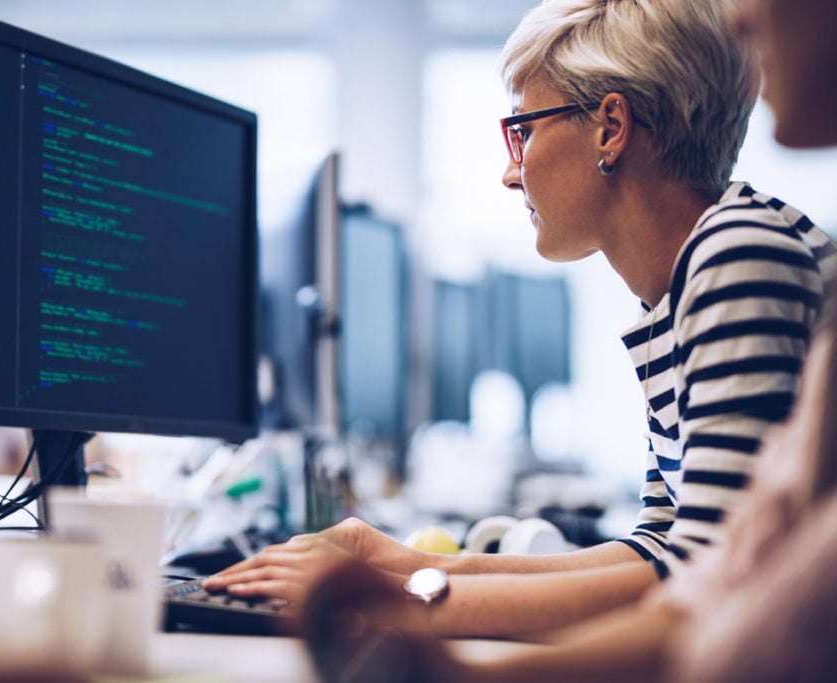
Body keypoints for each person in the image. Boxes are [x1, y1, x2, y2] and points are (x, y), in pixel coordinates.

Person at [205, 0, 835, 639]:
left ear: (611, 127)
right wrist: (399, 562)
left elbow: (700, 581)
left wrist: (384, 602)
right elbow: (657, 547)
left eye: (523, 131)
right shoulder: (681, 285)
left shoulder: (737, 253)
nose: (511, 173)